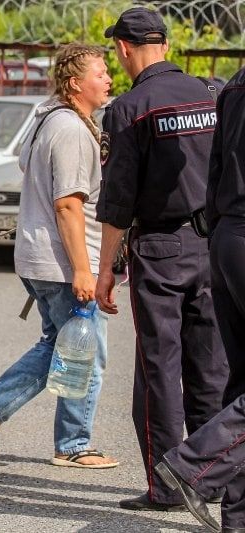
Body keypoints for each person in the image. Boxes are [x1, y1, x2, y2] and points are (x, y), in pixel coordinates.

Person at [95, 7, 229, 511]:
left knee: (159, 371)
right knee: (211, 369)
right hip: (211, 245)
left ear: (125, 49)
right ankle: (212, 479)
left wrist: (106, 268)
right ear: (167, 46)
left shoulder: (129, 108)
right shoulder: (211, 94)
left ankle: (169, 487)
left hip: (159, 250)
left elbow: (118, 201)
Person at [0, 43, 118, 469]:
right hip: (64, 262)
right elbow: (67, 204)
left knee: (59, 345)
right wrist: (85, 271)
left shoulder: (47, 117)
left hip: (39, 258)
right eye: (100, 73)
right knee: (82, 352)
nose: (108, 79)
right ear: (75, 83)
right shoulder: (68, 129)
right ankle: (70, 443)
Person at [153, 64, 245, 533]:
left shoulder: (233, 87)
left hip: (227, 236)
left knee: (241, 384)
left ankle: (239, 518)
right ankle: (193, 464)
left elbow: (215, 169)